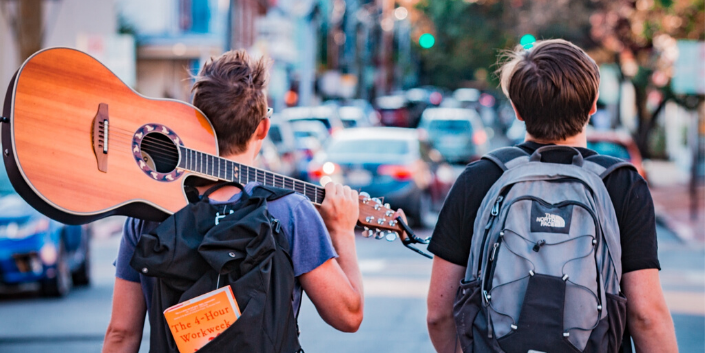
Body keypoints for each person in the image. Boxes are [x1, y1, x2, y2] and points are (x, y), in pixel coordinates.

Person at [102, 50, 364, 352]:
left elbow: (122, 334)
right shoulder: (289, 212)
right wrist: (342, 231)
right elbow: (349, 316)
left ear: (193, 120)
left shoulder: (149, 212)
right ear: (263, 128)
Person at [426, 39, 678, 353]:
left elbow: (439, 314)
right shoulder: (622, 184)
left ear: (517, 109)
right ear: (593, 104)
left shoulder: (480, 178)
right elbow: (646, 315)